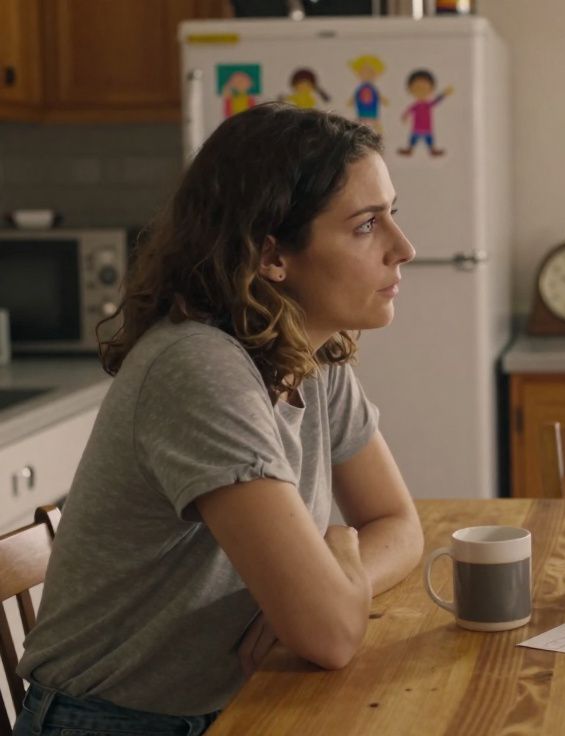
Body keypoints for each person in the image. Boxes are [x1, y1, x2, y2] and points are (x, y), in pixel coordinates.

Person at [14, 103, 425, 734]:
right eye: (367, 225)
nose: (405, 247)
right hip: (114, 721)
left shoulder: (315, 357)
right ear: (272, 257)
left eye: (392, 214)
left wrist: (339, 581)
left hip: (238, 704)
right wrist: (337, 557)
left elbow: (398, 525)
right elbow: (333, 633)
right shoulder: (198, 368)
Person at [398, 69, 454, 157]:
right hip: (416, 128)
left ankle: (432, 150)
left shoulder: (428, 105)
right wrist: (405, 117)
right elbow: (408, 112)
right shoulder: (415, 106)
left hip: (427, 128)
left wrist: (444, 94)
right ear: (410, 89)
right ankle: (409, 150)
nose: (421, 91)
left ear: (431, 89)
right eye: (417, 88)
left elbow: (436, 100)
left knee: (429, 140)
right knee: (413, 140)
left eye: (424, 88)